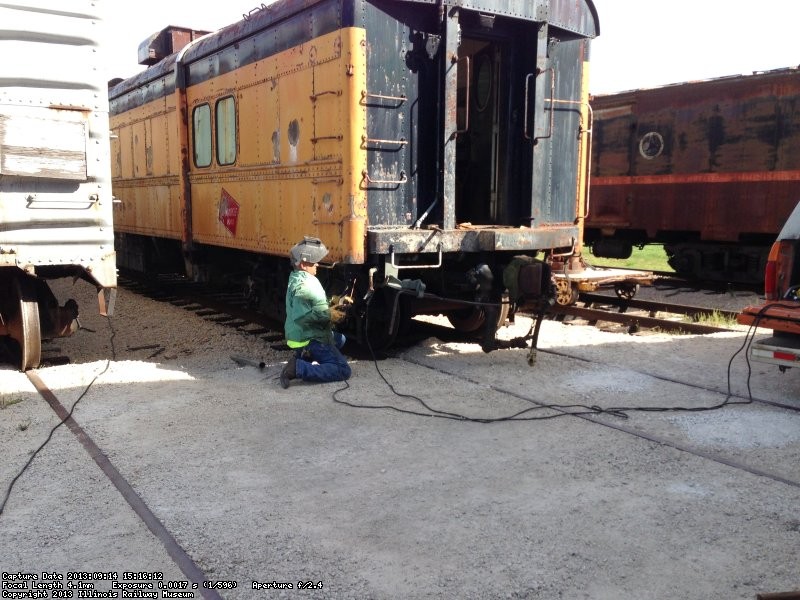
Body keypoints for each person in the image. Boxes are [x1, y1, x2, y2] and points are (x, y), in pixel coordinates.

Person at [280, 236, 351, 388]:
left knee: (341, 339)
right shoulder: (303, 286)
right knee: (343, 370)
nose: (317, 264)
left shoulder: (302, 278)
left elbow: (314, 304)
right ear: (304, 264)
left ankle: (304, 356)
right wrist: (329, 315)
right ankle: (299, 367)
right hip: (310, 337)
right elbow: (302, 317)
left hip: (306, 333)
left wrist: (334, 302)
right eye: (314, 262)